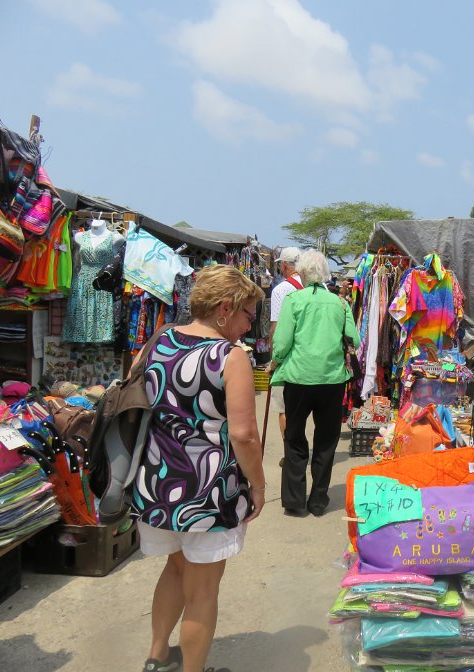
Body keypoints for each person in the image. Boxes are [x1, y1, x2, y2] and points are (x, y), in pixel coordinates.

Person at [134, 264, 266, 672]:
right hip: (208, 490)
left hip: (156, 481)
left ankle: (157, 658)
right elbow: (243, 435)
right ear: (225, 309)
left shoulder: (157, 340)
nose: (249, 325)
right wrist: (258, 486)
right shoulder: (230, 356)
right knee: (203, 589)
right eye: (248, 315)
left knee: (175, 570)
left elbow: (133, 401)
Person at [271, 250, 359, 517]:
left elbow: (282, 342)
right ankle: (318, 501)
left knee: (295, 438)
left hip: (299, 378)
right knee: (326, 441)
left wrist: (275, 360)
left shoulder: (294, 300)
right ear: (325, 273)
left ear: (302, 272)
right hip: (331, 381)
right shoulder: (340, 303)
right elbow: (353, 339)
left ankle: (295, 501)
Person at [268, 247, 302, 466]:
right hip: (311, 359)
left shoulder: (281, 290)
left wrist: (273, 360)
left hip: (288, 359)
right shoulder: (321, 288)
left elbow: (275, 328)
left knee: (284, 408)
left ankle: (291, 452)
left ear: (285, 265)